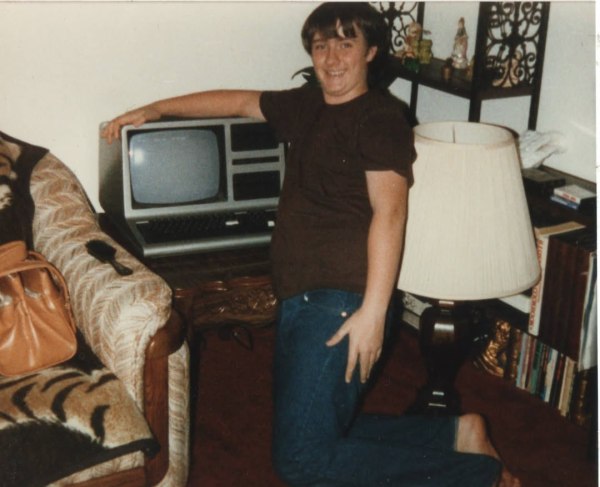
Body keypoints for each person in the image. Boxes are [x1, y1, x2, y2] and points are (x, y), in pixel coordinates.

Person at [102, 3, 520, 486]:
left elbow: (390, 214)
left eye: (346, 43)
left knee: (301, 460)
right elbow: (237, 101)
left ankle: (480, 477)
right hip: (301, 297)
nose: (332, 58)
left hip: (343, 302)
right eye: (321, 46)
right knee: (311, 431)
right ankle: (453, 435)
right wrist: (155, 109)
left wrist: (372, 313)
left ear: (371, 52)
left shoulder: (379, 117)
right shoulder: (310, 104)